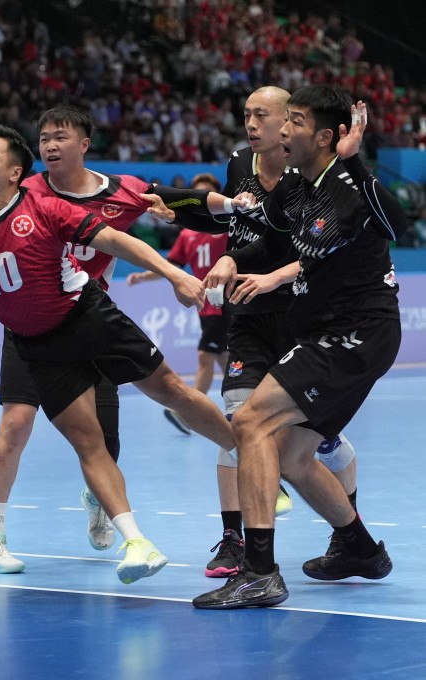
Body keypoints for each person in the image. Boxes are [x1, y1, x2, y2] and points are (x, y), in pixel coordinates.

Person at [0, 95, 239, 583]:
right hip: (35, 342)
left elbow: (117, 240)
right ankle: (130, 544)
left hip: (87, 315)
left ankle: (251, 453)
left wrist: (173, 274)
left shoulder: (44, 207)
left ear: (16, 174)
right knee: (77, 439)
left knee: (168, 391)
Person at [0, 105, 248, 574]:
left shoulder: (121, 191)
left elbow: (183, 202)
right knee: (15, 424)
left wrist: (232, 205)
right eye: (44, 139)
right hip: (29, 322)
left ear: (84, 144)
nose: (51, 146)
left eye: (61, 137)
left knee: (105, 439)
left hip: (88, 317)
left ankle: (99, 498)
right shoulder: (28, 189)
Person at [193, 87, 406, 609]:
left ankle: (260, 572)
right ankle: (360, 550)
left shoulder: (348, 188)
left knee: (250, 423)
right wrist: (228, 255)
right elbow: (267, 233)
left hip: (355, 332)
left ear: (326, 137)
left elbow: (392, 221)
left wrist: (356, 167)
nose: (282, 131)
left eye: (295, 122)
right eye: (281, 120)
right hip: (324, 330)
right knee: (291, 454)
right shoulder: (293, 180)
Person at [170, 86, 360, 580]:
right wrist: (211, 245)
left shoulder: (313, 179)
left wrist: (274, 274)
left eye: (262, 115)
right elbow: (228, 221)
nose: (251, 124)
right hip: (250, 315)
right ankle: (236, 541)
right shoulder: (238, 164)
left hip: (305, 317)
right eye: (246, 115)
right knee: (238, 426)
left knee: (321, 445)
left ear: (289, 125)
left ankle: (348, 534)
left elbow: (325, 247)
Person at [126, 173, 230, 436]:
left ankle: (187, 414)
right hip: (204, 305)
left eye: (207, 194)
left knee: (206, 355)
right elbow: (170, 266)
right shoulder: (188, 235)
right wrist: (142, 277)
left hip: (227, 303)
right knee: (223, 358)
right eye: (197, 196)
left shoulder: (228, 226)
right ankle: (245, 404)